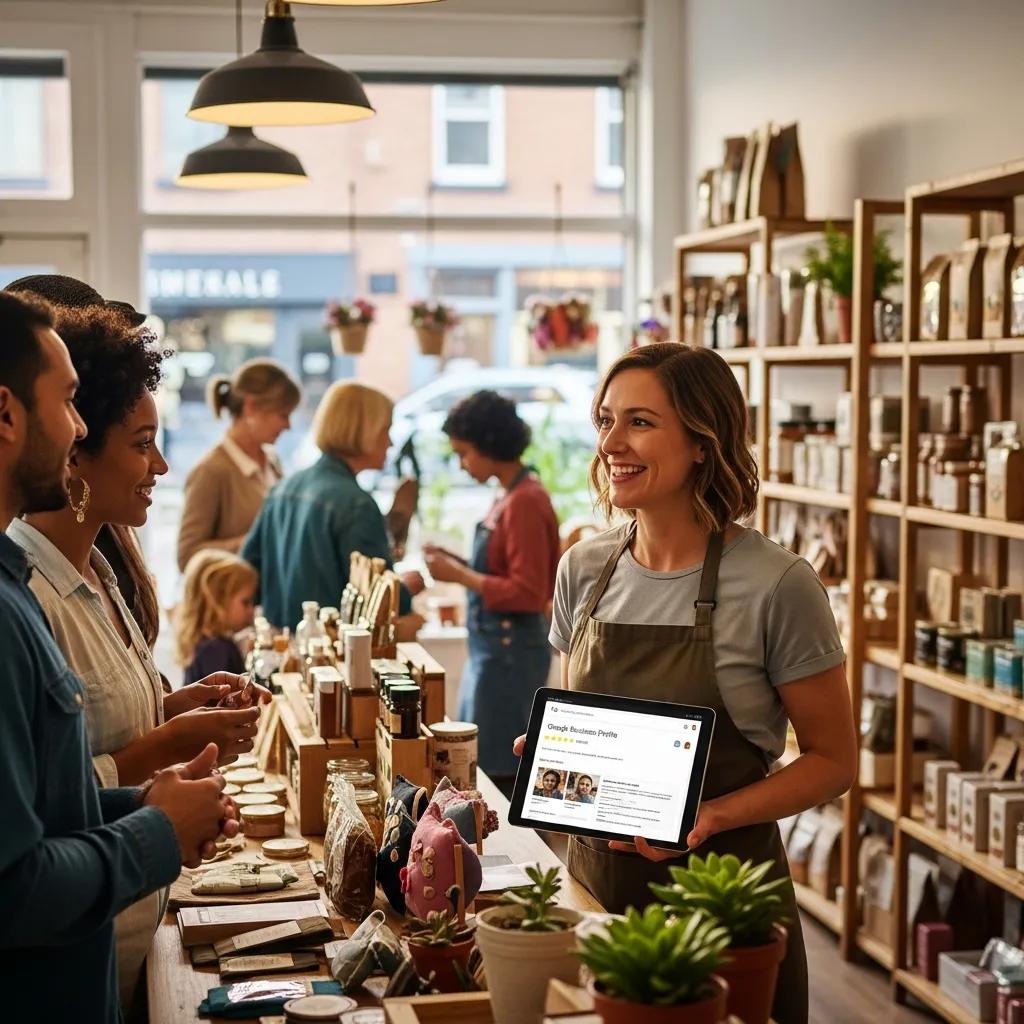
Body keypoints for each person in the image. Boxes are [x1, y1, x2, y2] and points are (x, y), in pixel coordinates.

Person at [514, 343, 857, 1024]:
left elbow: (834, 762)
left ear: (704, 441)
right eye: (605, 420)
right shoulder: (584, 569)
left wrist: (710, 817)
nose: (612, 442)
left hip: (721, 913)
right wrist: (553, 758)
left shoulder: (778, 585)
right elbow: (579, 711)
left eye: (640, 421)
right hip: (595, 900)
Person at [6, 303, 266, 1014]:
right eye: (67, 408)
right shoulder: (22, 593)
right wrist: (157, 806)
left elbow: (62, 781)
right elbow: (22, 861)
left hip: (115, 949)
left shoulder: (102, 570)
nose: (161, 464)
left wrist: (168, 734)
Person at [6, 274, 161, 651]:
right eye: (65, 397)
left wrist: (162, 707)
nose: (76, 426)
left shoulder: (95, 546)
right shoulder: (34, 570)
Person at [424, 390, 559, 785]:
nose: (462, 464)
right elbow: (502, 569)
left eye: (465, 453)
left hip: (509, 659)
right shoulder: (507, 494)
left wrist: (460, 576)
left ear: (489, 444)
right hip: (491, 655)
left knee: (499, 771)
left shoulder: (525, 502)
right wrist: (458, 563)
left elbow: (529, 591)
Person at [242, 380, 424, 635]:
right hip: (328, 655)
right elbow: (384, 600)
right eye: (385, 430)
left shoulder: (284, 488)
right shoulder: (356, 505)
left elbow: (248, 571)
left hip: (277, 648)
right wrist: (405, 588)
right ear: (362, 431)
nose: (390, 443)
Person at [177, 359, 302, 572]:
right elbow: (187, 555)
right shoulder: (211, 471)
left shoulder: (273, 462)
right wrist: (254, 541)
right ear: (251, 406)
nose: (288, 425)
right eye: (283, 415)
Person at [178, 550, 259, 684]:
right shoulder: (216, 650)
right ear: (218, 601)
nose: (251, 610)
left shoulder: (206, 643)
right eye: (245, 602)